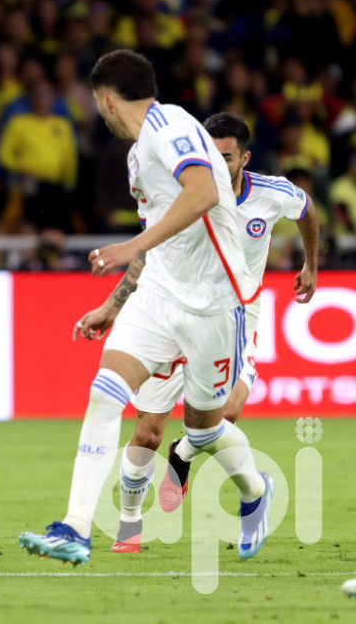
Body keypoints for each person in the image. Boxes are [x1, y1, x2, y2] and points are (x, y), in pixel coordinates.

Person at [19, 49, 270, 565]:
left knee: (203, 428)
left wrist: (129, 247)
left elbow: (200, 192)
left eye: (96, 103)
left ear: (106, 99)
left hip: (216, 302)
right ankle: (76, 526)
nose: (99, 113)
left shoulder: (169, 124)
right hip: (158, 293)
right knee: (105, 393)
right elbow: (161, 235)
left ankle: (253, 492)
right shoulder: (139, 152)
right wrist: (115, 303)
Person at [110, 112, 319, 552]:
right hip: (171, 310)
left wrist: (310, 265)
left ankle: (187, 458)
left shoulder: (270, 193)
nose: (217, 165)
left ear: (244, 157)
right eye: (210, 154)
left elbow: (306, 209)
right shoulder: (182, 192)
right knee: (147, 431)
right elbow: (146, 251)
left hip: (236, 312)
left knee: (222, 416)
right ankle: (129, 522)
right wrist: (113, 306)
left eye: (227, 157)